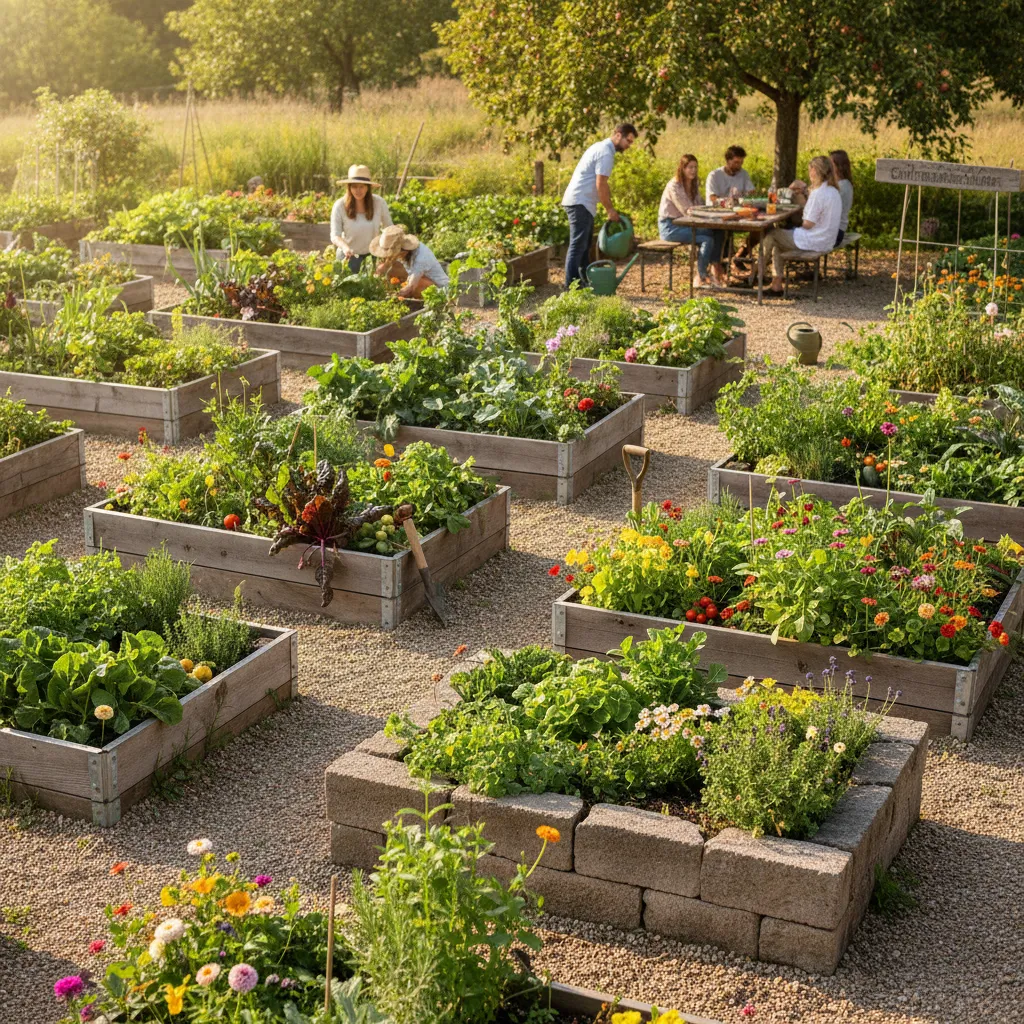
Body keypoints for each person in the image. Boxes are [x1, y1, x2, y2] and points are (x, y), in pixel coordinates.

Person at [561, 124, 637, 289]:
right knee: (578, 244)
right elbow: (600, 183)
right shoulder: (605, 152)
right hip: (579, 202)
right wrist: (609, 209)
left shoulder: (601, 148)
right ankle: (570, 287)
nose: (628, 146)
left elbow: (603, 183)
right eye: (628, 141)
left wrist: (608, 205)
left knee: (585, 245)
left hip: (583, 202)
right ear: (618, 135)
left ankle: (583, 283)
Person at [760, 155, 843, 297]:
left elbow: (808, 224)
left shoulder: (819, 193)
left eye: (810, 170)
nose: (809, 174)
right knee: (778, 241)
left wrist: (799, 215)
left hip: (814, 240)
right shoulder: (834, 191)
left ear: (815, 171)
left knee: (772, 235)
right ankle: (776, 285)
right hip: (826, 240)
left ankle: (755, 272)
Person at [658, 154, 726, 288]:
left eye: (695, 167)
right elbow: (687, 210)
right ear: (682, 168)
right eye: (690, 167)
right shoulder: (674, 185)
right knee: (708, 238)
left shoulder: (692, 184)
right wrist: (706, 213)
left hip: (686, 224)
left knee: (718, 231)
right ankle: (702, 277)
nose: (693, 170)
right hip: (671, 226)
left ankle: (713, 269)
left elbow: (700, 204)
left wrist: (715, 207)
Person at [331, 164, 393, 272]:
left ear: (368, 187)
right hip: (349, 257)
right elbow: (335, 235)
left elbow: (389, 228)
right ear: (349, 187)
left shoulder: (379, 203)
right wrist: (345, 248)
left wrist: (387, 249)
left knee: (372, 287)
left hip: (372, 256)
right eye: (354, 186)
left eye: (362, 186)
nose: (358, 191)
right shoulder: (340, 205)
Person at [369, 224, 449, 299]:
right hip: (421, 277)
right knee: (394, 269)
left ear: (403, 252)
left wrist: (395, 295)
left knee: (415, 286)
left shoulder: (420, 258)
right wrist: (377, 278)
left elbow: (410, 286)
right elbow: (385, 265)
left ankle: (425, 301)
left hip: (440, 289)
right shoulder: (405, 250)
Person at [830, 149, 854, 246]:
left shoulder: (842, 187)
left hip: (835, 234)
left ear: (838, 166)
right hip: (837, 231)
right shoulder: (844, 184)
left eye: (831, 164)